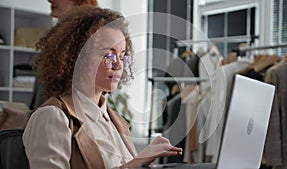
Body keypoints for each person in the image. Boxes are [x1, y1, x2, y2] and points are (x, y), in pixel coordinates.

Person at [23, 6, 183, 169]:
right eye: (109, 55)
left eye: (122, 56)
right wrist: (134, 164)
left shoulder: (115, 121)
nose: (118, 64)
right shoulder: (53, 117)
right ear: (76, 57)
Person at [0, 0, 98, 130]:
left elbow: (75, 106)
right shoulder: (59, 40)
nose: (50, 0)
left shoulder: (85, 43)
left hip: (58, 135)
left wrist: (29, 119)